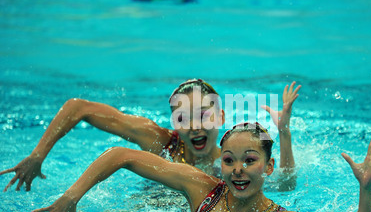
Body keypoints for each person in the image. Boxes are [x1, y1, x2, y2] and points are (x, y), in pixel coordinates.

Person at [31, 122, 371, 212]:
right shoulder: (202, 188)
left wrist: (366, 190)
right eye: (230, 160)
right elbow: (120, 155)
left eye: (249, 161)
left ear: (268, 169)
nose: (237, 169)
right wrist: (71, 196)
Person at [1, 79, 301, 192]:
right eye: (184, 118)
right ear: (173, 122)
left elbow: (284, 184)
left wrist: (283, 134)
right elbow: (77, 108)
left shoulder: (234, 157)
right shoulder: (159, 141)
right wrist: (38, 154)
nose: (195, 126)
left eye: (203, 116)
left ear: (221, 117)